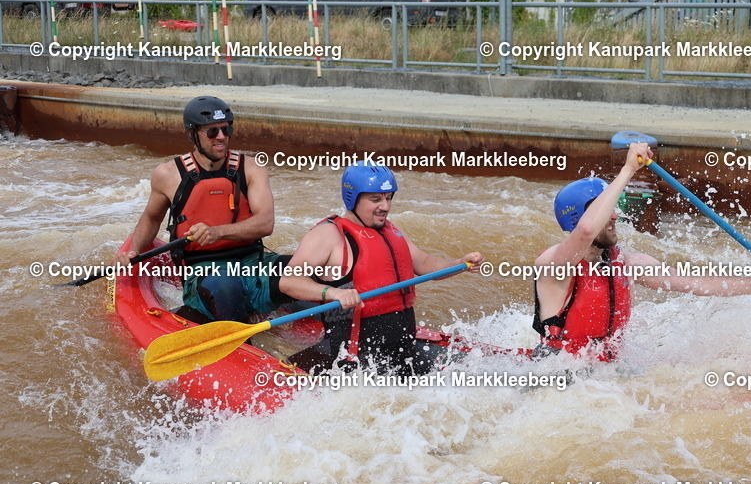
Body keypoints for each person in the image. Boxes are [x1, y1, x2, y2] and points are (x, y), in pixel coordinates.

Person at [533, 142, 751, 361]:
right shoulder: (554, 265)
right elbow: (586, 230)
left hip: (607, 376)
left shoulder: (626, 263)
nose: (615, 215)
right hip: (558, 375)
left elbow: (698, 284)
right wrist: (628, 170)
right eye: (606, 210)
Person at [280, 162, 483, 376]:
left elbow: (425, 264)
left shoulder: (391, 229)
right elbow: (289, 281)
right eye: (375, 199)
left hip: (402, 349)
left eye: (388, 198)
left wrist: (460, 263)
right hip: (353, 358)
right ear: (352, 198)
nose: (385, 206)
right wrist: (333, 293)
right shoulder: (329, 234)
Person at [118, 95, 291, 323]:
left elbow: (265, 223)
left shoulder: (252, 168)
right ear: (191, 134)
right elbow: (152, 218)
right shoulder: (167, 174)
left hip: (253, 262)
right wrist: (134, 250)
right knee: (225, 284)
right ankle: (240, 342)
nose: (221, 137)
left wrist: (217, 232)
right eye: (212, 131)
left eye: (226, 130)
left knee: (313, 268)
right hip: (203, 269)